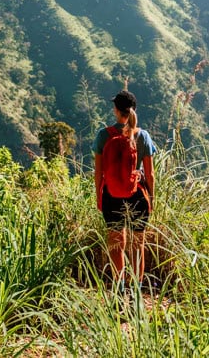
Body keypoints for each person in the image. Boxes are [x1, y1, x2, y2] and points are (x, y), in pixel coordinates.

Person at [93, 89, 157, 290]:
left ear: (116, 110)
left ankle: (120, 289)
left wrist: (98, 197)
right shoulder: (143, 136)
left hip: (111, 195)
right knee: (138, 244)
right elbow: (151, 174)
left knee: (115, 243)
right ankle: (137, 292)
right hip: (138, 194)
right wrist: (152, 198)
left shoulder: (104, 135)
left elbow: (98, 172)